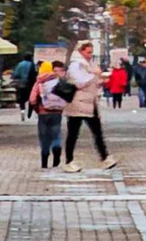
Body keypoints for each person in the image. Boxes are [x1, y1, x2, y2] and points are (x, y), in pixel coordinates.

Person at [64, 41, 117, 173]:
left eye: (91, 52)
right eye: (88, 52)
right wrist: (94, 74)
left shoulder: (90, 64)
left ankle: (105, 157)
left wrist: (101, 80)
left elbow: (93, 82)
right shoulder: (76, 65)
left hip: (90, 102)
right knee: (73, 133)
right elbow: (80, 82)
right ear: (81, 51)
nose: (90, 55)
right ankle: (69, 161)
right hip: (78, 102)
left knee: (97, 131)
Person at [31, 60, 66, 168]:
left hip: (43, 113)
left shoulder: (39, 82)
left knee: (44, 136)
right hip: (57, 112)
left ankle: (44, 160)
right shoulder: (58, 81)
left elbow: (32, 99)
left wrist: (37, 109)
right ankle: (56, 148)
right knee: (56, 134)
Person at [13, 54, 37, 119]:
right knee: (31, 98)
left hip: (22, 84)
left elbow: (16, 74)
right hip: (31, 85)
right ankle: (30, 112)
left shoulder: (20, 64)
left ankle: (22, 110)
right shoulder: (34, 65)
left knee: (22, 99)